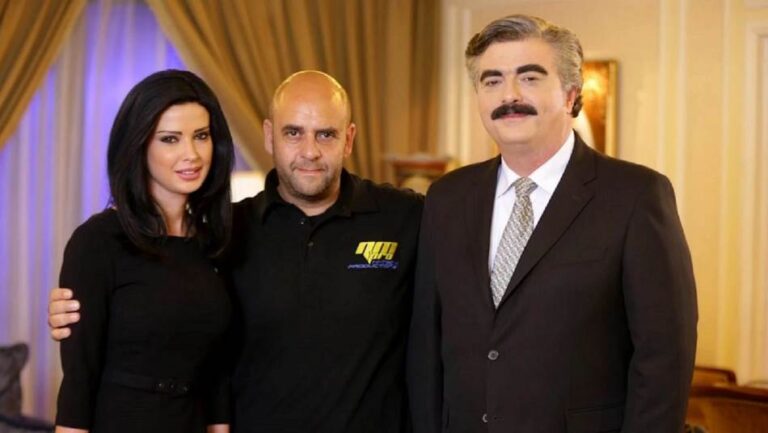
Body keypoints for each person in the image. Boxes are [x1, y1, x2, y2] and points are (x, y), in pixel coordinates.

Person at [50, 70, 422, 433]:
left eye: (326, 134)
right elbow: (94, 374)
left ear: (349, 138)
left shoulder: (405, 217)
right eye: (293, 132)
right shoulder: (230, 231)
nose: (310, 151)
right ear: (269, 136)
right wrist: (84, 310)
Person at [407, 14, 698, 433]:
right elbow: (425, 346)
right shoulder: (447, 198)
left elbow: (664, 357)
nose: (509, 95)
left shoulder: (636, 196)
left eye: (529, 78)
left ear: (570, 94)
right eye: (492, 81)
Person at [54, 70, 234, 433]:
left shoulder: (215, 242)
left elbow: (217, 376)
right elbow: (78, 383)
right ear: (138, 146)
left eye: (201, 136)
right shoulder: (97, 241)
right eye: (170, 139)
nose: (192, 154)